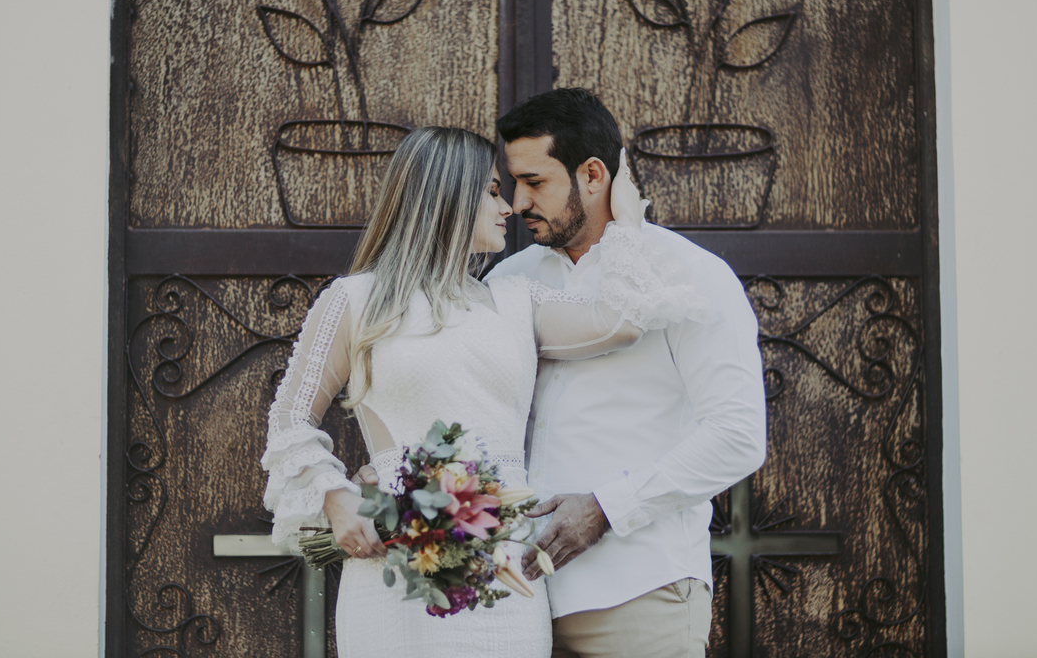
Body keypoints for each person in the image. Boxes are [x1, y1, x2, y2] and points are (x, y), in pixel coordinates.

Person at [260, 126, 708, 658]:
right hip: (401, 570)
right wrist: (336, 498)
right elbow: (289, 421)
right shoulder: (357, 301)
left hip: (506, 573)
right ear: (446, 197)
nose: (511, 207)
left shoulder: (516, 300)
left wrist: (625, 223)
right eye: (493, 191)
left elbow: (622, 322)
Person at [487, 88, 767, 658]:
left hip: (640, 592)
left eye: (535, 182)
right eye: (514, 183)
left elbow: (736, 436)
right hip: (514, 602)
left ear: (593, 175)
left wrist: (605, 508)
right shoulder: (506, 281)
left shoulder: (692, 276)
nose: (518, 203)